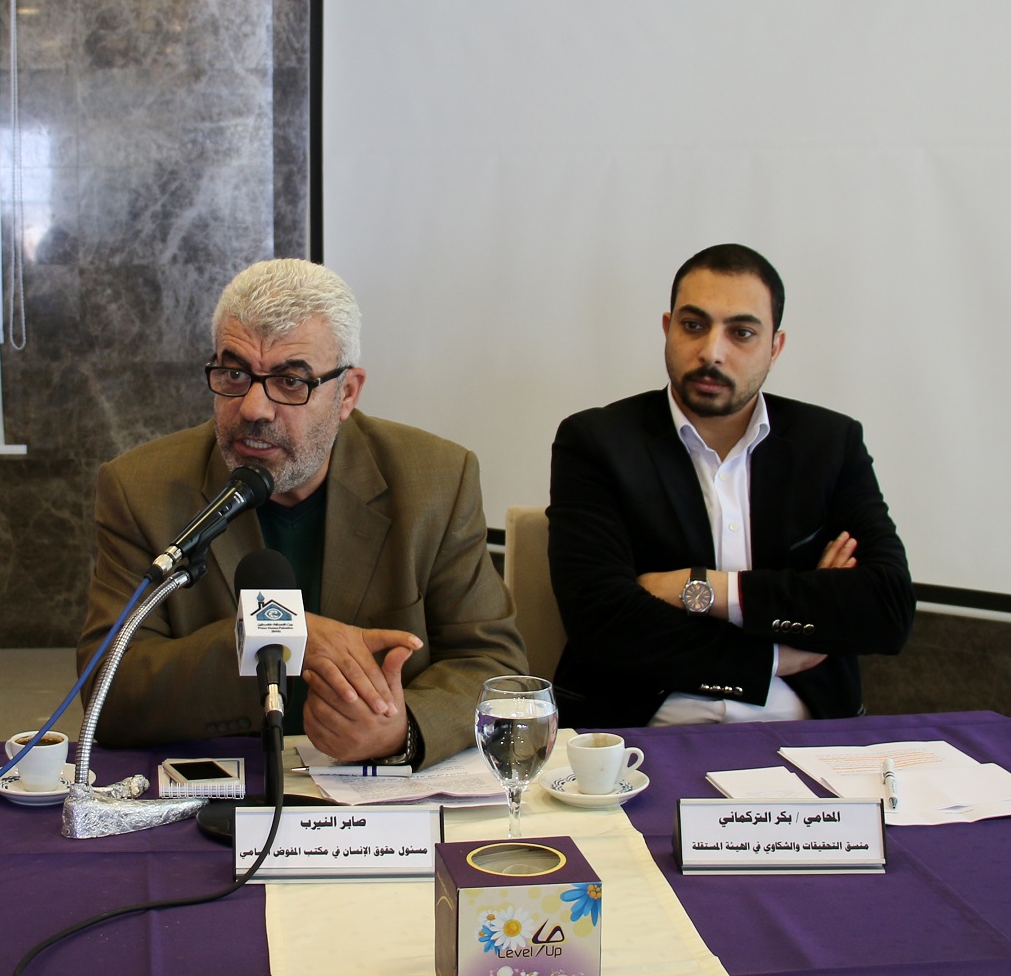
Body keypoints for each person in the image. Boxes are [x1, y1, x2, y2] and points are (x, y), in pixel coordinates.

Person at [78, 259, 526, 767]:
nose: (253, 408)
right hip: (228, 782)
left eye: (291, 381)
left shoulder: (435, 481)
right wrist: (280, 635)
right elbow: (108, 694)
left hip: (377, 794)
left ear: (347, 393)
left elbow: (496, 667)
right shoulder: (141, 489)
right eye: (234, 373)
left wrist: (403, 730)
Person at [548, 244, 913, 727]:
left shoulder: (829, 443)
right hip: (639, 733)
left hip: (806, 732)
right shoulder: (596, 442)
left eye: (741, 333)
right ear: (668, 328)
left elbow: (886, 610)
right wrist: (774, 656)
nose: (711, 352)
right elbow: (602, 622)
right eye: (693, 325)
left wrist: (699, 588)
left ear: (774, 348)